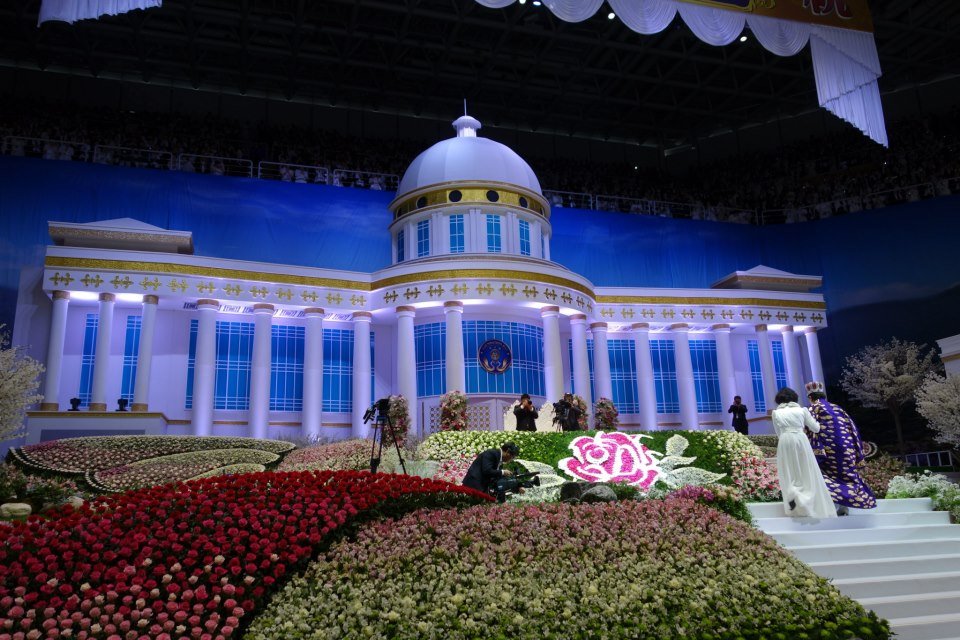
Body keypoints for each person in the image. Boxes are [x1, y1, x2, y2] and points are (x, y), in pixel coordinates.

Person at [805, 381, 877, 515]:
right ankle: (845, 506)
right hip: (847, 448)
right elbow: (853, 428)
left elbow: (810, 430)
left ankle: (833, 507)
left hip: (827, 450)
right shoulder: (838, 408)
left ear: (810, 397)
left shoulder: (812, 409)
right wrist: (856, 450)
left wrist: (814, 448)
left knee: (828, 477)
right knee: (846, 477)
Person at [771, 387, 836, 519]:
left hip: (785, 440)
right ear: (794, 398)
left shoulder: (776, 413)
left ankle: (794, 504)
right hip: (801, 439)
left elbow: (778, 433)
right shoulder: (802, 410)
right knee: (807, 471)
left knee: (789, 472)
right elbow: (816, 428)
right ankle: (810, 503)